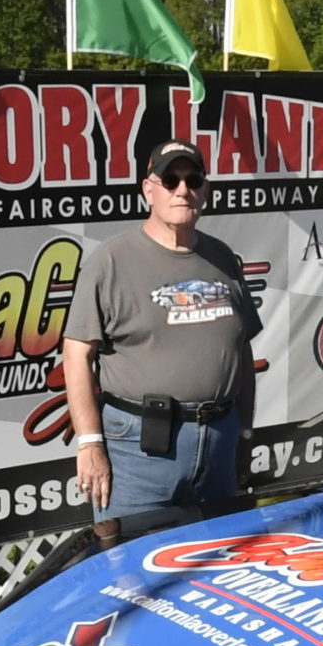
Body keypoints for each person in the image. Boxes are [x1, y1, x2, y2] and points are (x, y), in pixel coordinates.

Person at [63, 140, 261, 536]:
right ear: (148, 190)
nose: (182, 190)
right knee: (132, 564)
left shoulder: (223, 258)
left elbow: (242, 351)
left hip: (219, 441)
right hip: (139, 450)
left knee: (220, 559)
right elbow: (76, 354)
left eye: (193, 180)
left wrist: (243, 434)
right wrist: (90, 443)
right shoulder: (111, 260)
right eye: (170, 180)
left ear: (205, 190)